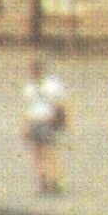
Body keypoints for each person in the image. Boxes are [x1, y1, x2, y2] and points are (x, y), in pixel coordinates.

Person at [23, 58, 70, 197]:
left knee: (50, 152)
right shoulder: (29, 87)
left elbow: (62, 103)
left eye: (35, 71)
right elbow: (27, 107)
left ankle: (55, 181)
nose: (33, 74)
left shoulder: (51, 85)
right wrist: (24, 124)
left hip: (47, 120)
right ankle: (42, 180)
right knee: (36, 153)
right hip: (34, 120)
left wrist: (65, 122)